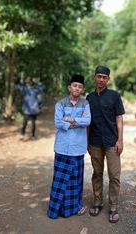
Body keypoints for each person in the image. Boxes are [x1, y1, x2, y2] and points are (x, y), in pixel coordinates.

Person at [47, 74, 91, 219]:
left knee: (75, 181)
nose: (77, 88)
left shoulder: (85, 104)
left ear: (83, 89)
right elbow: (58, 123)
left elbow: (88, 120)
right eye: (74, 85)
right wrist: (77, 122)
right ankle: (56, 210)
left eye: (80, 86)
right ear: (69, 87)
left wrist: (71, 119)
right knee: (60, 181)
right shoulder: (60, 104)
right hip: (62, 147)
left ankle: (74, 207)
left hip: (78, 148)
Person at [86, 65, 125, 223]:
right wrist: (87, 141)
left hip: (112, 142)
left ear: (108, 79)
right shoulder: (89, 97)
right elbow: (88, 122)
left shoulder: (114, 96)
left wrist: (120, 140)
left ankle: (114, 206)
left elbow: (119, 119)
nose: (101, 79)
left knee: (114, 176)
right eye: (99, 76)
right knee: (97, 173)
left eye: (104, 77)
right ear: (94, 78)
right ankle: (97, 202)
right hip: (95, 141)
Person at [17, 76, 44, 140]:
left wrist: (21, 81)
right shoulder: (35, 90)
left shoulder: (25, 90)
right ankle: (33, 136)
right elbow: (42, 87)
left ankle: (23, 134)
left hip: (27, 110)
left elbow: (19, 87)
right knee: (33, 123)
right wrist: (38, 82)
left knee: (25, 123)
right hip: (34, 109)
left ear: (27, 83)